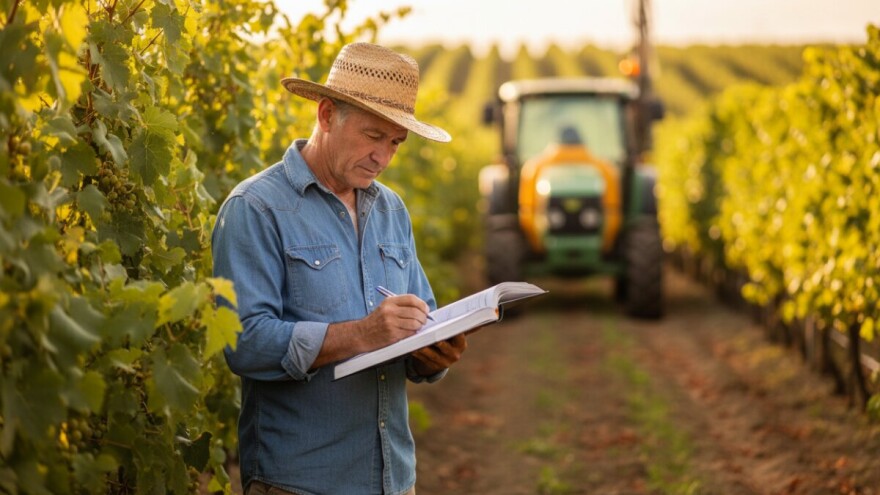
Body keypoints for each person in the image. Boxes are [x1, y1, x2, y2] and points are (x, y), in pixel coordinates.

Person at [211, 42, 468, 495]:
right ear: (327, 115)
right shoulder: (256, 207)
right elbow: (242, 342)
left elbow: (419, 316)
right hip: (300, 483)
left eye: (395, 143)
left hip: (394, 480)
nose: (384, 158)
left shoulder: (392, 210)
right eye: (373, 136)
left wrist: (432, 354)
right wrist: (360, 334)